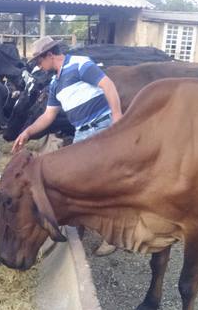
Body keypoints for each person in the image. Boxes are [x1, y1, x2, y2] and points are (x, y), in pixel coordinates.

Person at [12, 36, 122, 256]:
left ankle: (113, 234)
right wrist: (27, 132)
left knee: (98, 182)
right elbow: (48, 116)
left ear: (50, 55)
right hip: (82, 132)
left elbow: (107, 85)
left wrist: (118, 117)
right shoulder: (55, 84)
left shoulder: (80, 64)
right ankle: (80, 224)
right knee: (73, 181)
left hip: (102, 125)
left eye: (40, 62)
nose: (39, 67)